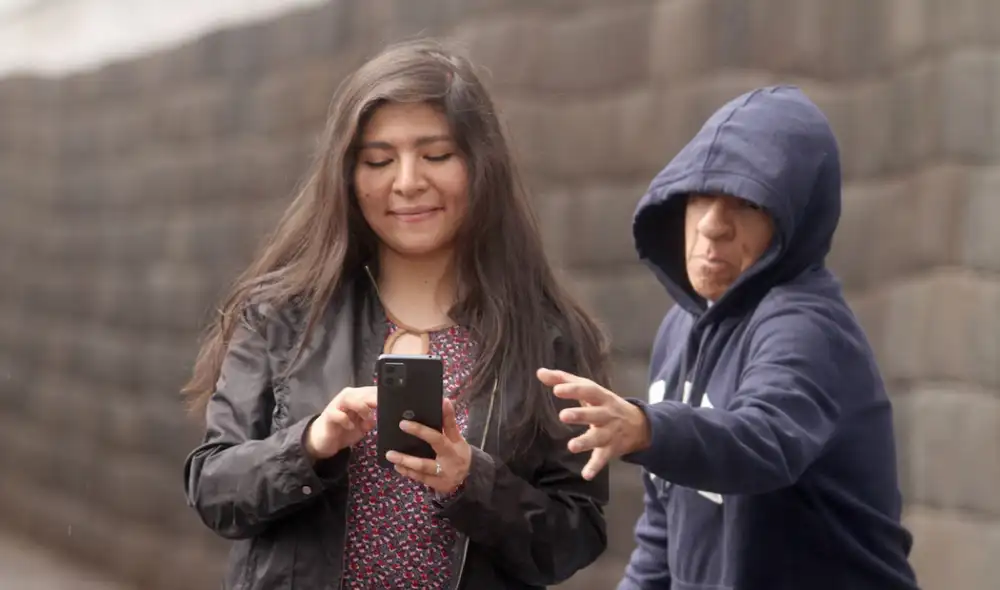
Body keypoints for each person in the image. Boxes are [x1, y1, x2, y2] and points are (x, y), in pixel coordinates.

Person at [182, 39, 610, 590]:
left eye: (436, 155)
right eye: (379, 160)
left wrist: (471, 482)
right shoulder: (282, 317)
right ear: (348, 176)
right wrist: (310, 444)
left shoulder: (547, 336)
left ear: (481, 166)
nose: (407, 182)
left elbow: (574, 536)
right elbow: (214, 490)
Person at [537, 86, 920, 590]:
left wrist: (649, 428)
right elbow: (663, 534)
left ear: (793, 223)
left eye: (745, 203)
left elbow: (764, 441)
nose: (713, 226)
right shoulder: (680, 328)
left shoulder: (805, 325)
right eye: (700, 198)